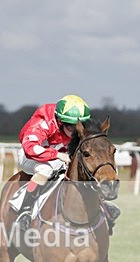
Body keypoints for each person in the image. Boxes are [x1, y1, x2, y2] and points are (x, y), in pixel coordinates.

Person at [15, 94, 121, 231]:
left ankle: (101, 204)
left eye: (77, 126)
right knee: (46, 170)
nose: (74, 131)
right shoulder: (44, 121)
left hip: (59, 153)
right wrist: (57, 155)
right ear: (60, 121)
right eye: (70, 127)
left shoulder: (78, 125)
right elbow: (30, 148)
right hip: (30, 156)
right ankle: (26, 210)